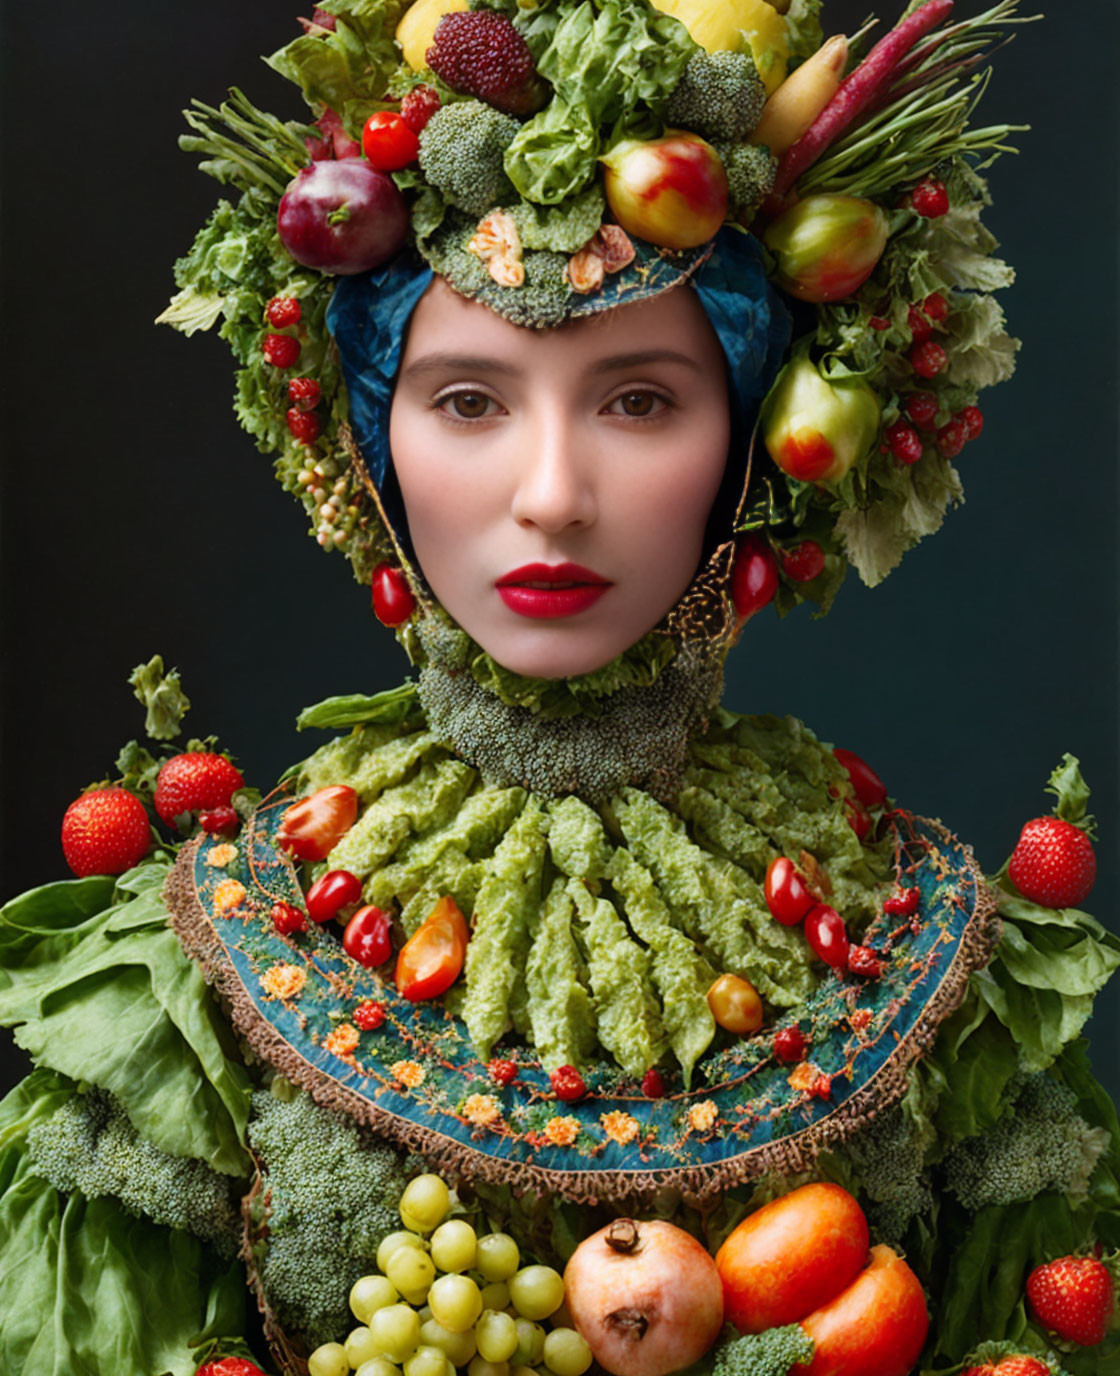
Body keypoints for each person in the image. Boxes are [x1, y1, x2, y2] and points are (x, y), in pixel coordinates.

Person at [1, 3, 1118, 1375]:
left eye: (638, 401)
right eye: (470, 401)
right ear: (371, 449)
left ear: (754, 451)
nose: (550, 497)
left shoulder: (913, 932)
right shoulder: (222, 931)